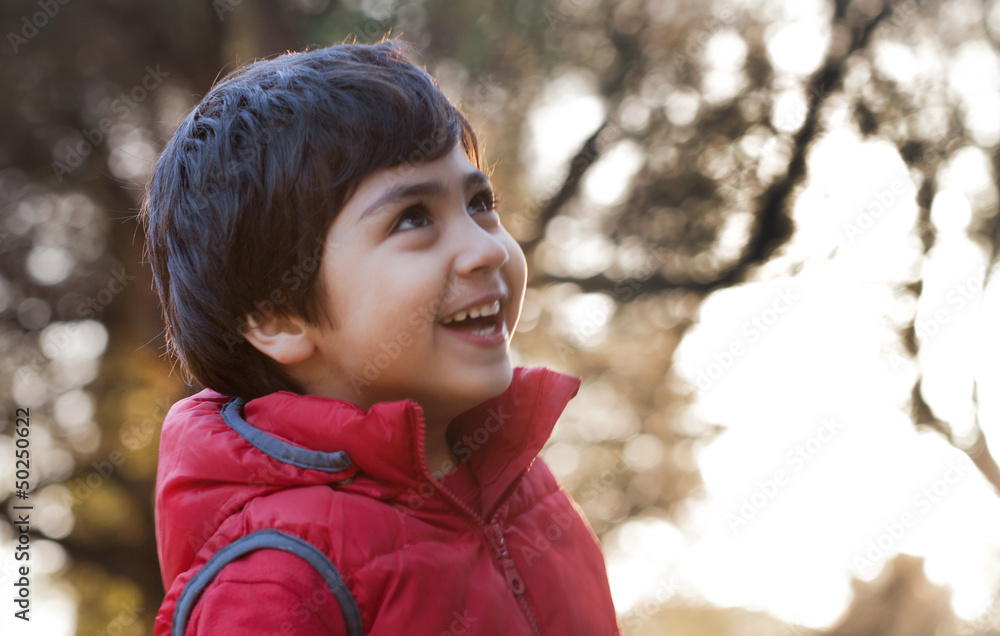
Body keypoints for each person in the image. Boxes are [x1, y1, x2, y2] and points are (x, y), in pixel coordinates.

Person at [141, 39, 620, 635]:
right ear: (279, 318)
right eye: (413, 218)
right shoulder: (275, 583)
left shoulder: (527, 493)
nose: (486, 248)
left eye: (479, 203)